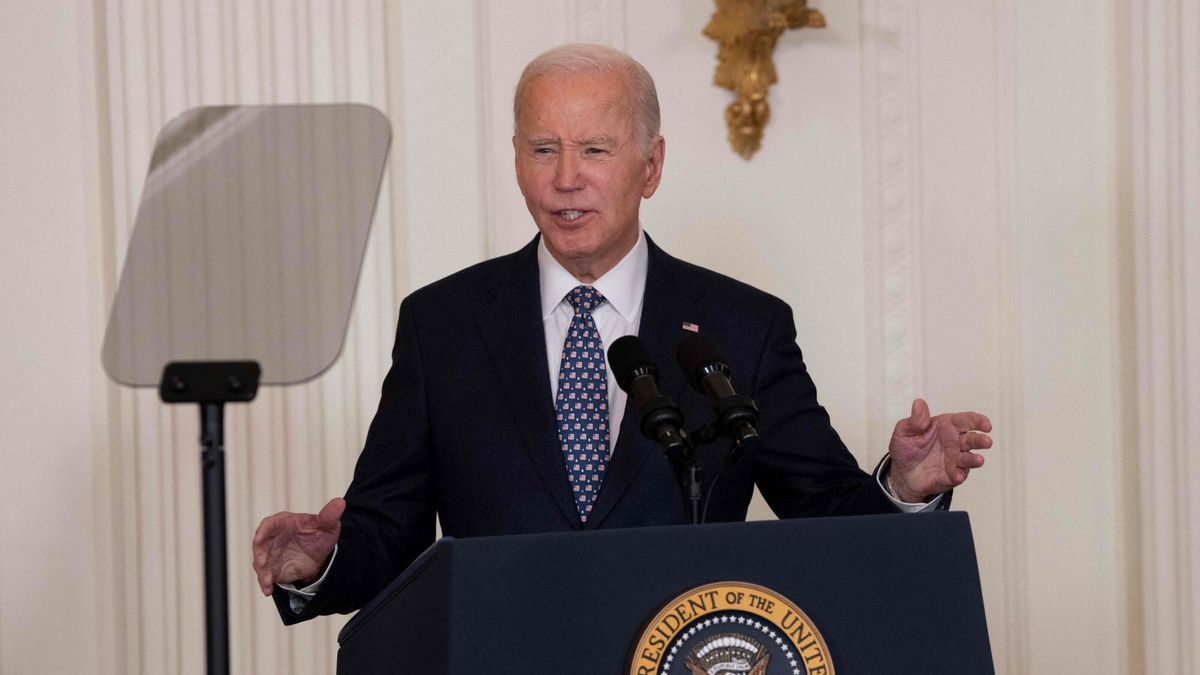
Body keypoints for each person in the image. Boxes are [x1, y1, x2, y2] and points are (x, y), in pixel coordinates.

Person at [252, 43, 993, 623]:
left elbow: (827, 514)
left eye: (596, 150)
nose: (566, 178)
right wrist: (322, 561)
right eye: (543, 149)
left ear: (651, 164)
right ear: (516, 161)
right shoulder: (443, 324)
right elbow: (388, 534)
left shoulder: (743, 326)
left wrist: (903, 486)